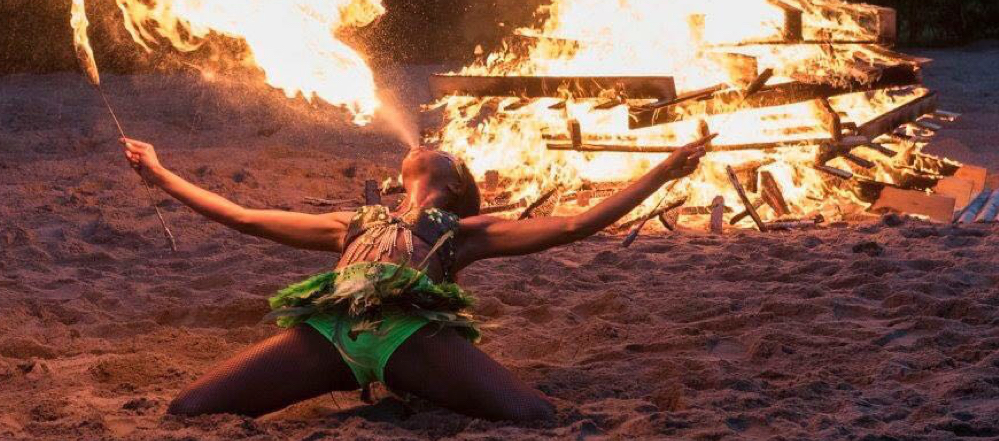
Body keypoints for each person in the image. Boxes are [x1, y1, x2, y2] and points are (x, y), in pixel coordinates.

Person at [120, 134, 713, 422]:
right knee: (189, 408)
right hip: (331, 333)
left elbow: (575, 225)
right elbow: (242, 216)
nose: (434, 145)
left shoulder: (463, 230)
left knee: (539, 416)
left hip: (412, 336)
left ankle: (418, 386)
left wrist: (661, 172)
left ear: (455, 186)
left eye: (449, 153)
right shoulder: (351, 221)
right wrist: (159, 171)